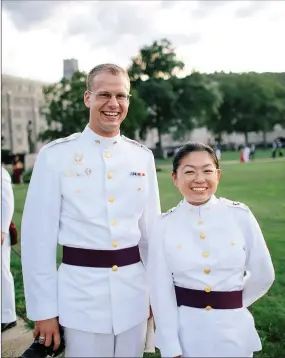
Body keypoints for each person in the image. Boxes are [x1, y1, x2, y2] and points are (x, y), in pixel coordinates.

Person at [21, 63, 161, 357]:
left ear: (128, 101)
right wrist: (44, 311)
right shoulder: (56, 156)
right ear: (88, 98)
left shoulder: (141, 157)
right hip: (80, 298)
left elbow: (151, 238)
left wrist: (156, 296)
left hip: (133, 296)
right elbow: (38, 241)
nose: (113, 104)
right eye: (104, 95)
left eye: (121, 96)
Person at [147, 142, 275, 358]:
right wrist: (170, 344)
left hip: (234, 331)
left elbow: (263, 274)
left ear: (218, 175)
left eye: (207, 171)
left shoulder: (240, 216)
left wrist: (231, 303)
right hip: (186, 334)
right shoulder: (163, 225)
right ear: (175, 178)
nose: (199, 179)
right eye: (189, 172)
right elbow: (160, 290)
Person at [1, 167, 17, 332]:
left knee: (2, 272)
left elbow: (7, 201)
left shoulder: (1, 173)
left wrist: (3, 229)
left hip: (1, 233)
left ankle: (8, 315)